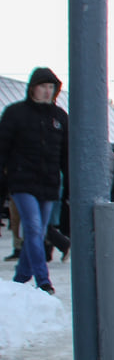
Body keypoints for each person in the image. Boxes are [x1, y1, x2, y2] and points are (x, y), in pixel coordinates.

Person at [0, 67, 68, 294]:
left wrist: (68, 185)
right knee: (32, 226)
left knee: (37, 232)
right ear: (32, 88)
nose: (47, 92)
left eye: (51, 87)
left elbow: (66, 154)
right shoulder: (15, 113)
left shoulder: (59, 117)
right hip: (22, 181)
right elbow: (2, 148)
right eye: (43, 87)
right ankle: (42, 280)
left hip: (48, 183)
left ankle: (20, 281)